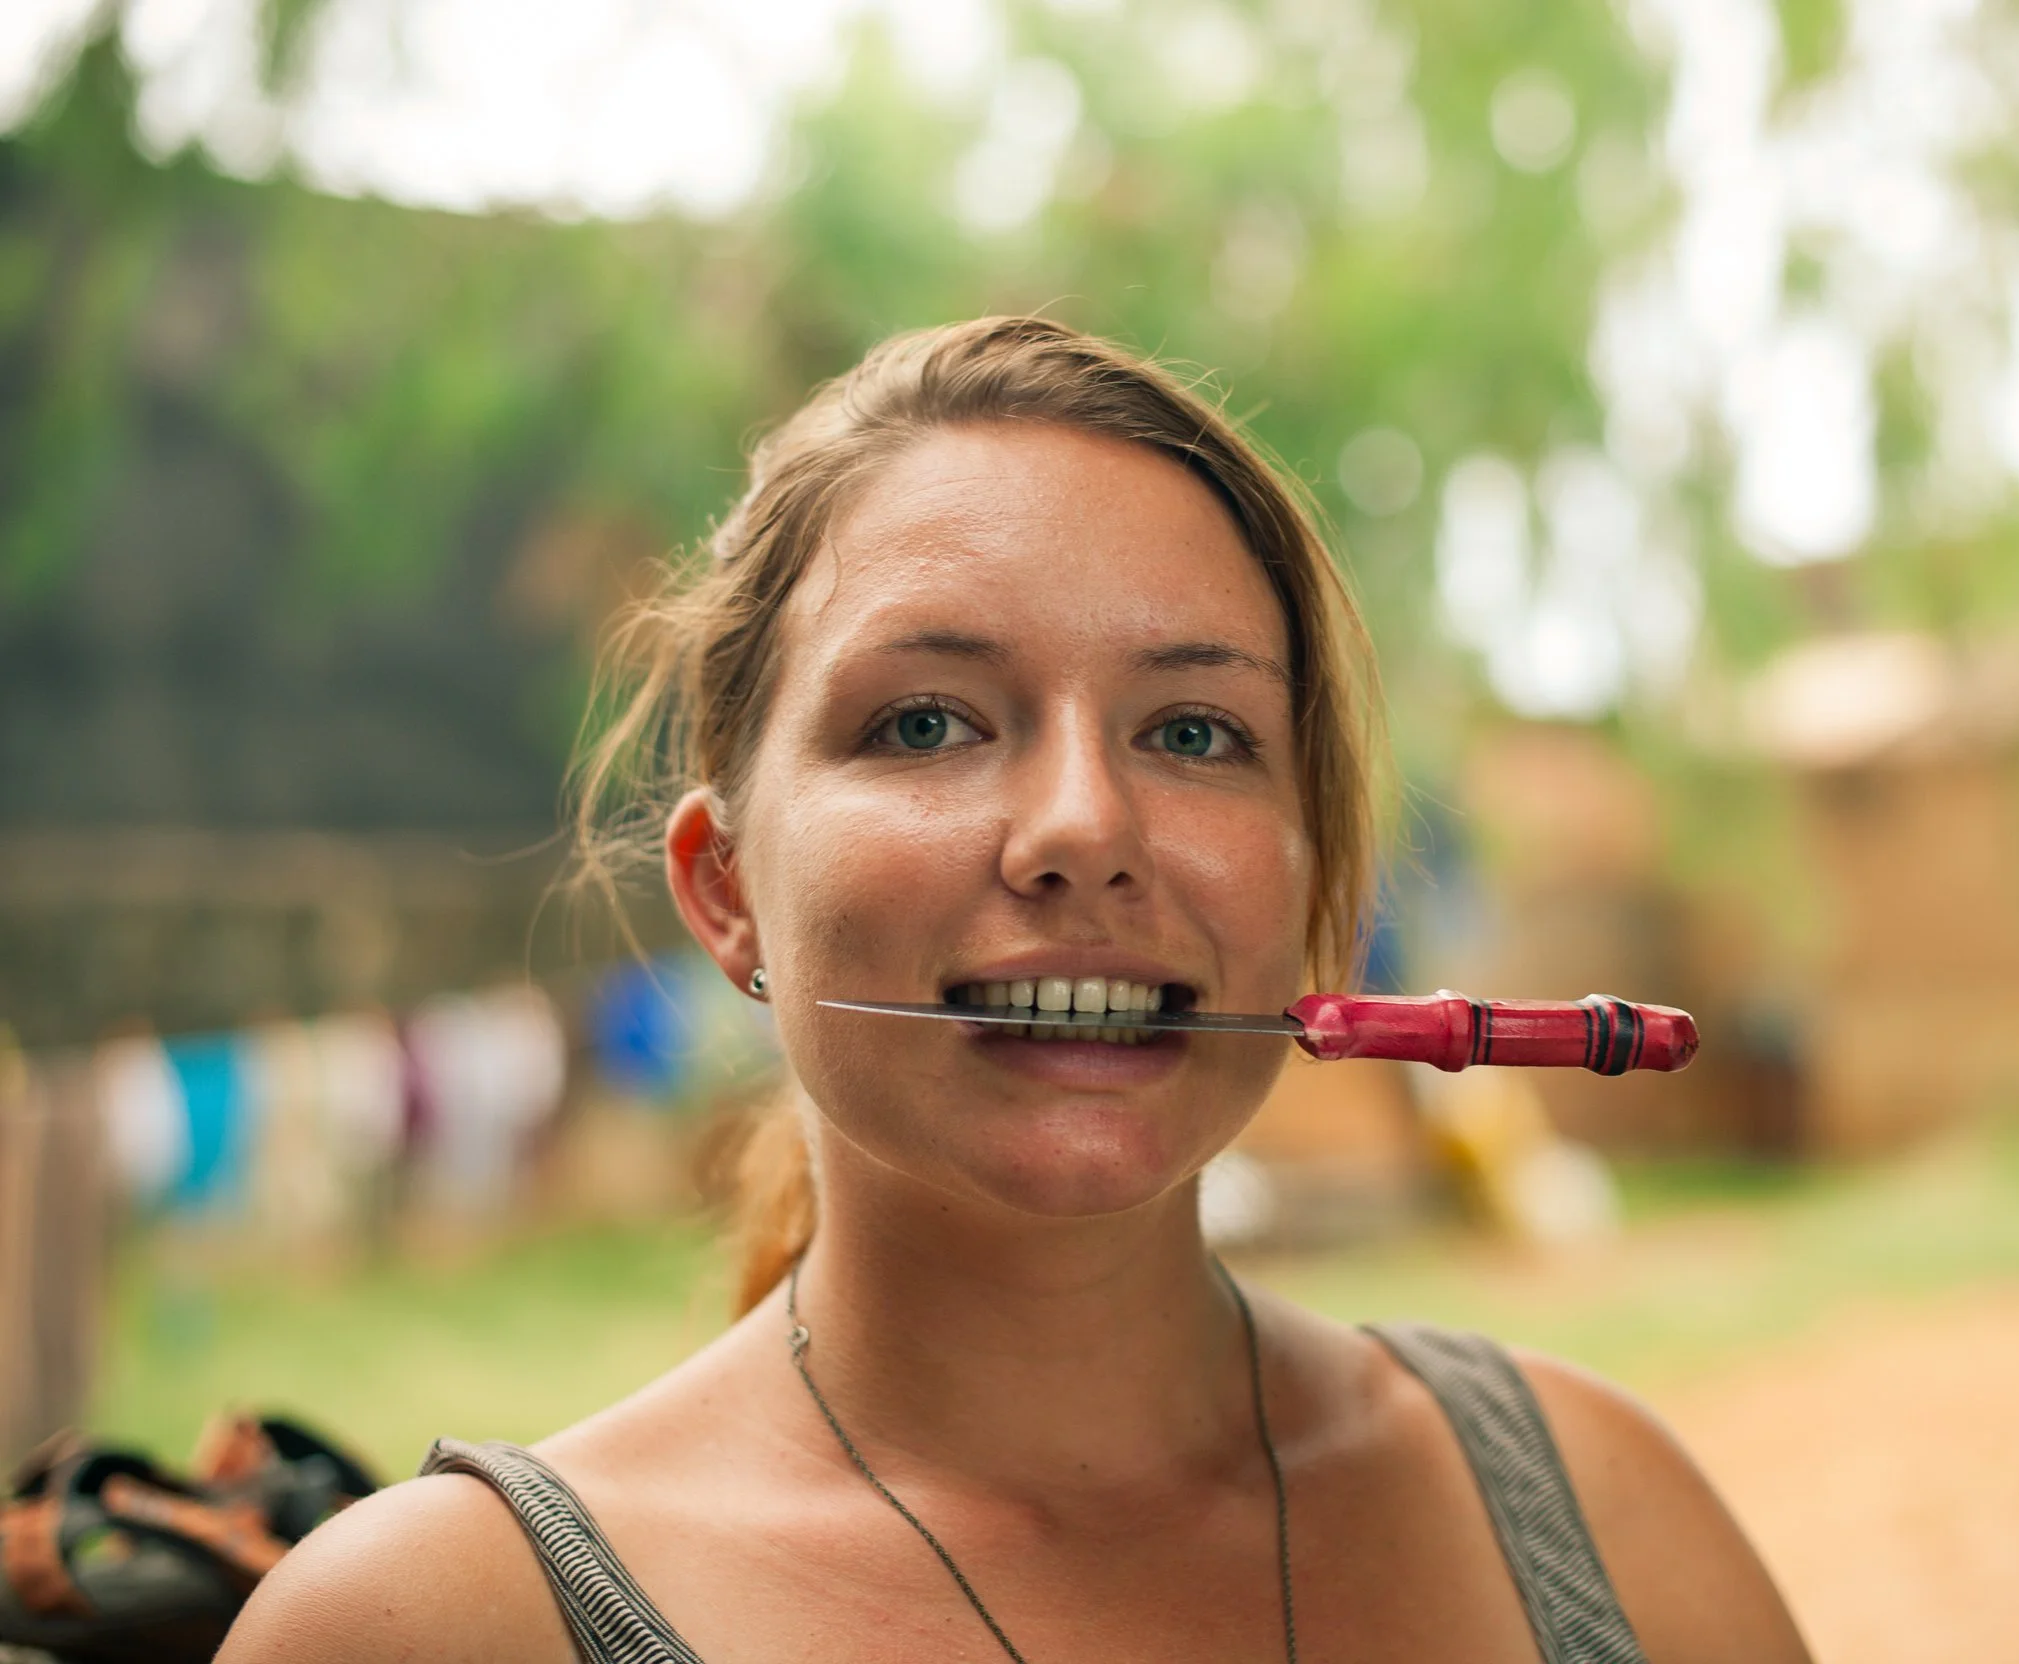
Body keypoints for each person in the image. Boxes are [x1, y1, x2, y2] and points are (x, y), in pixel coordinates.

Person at [220, 318, 1810, 1664]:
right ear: (724, 890)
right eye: (926, 722)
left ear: (1322, 890)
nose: (1083, 831)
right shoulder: (426, 1627)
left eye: (1193, 733)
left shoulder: (1608, 1522)